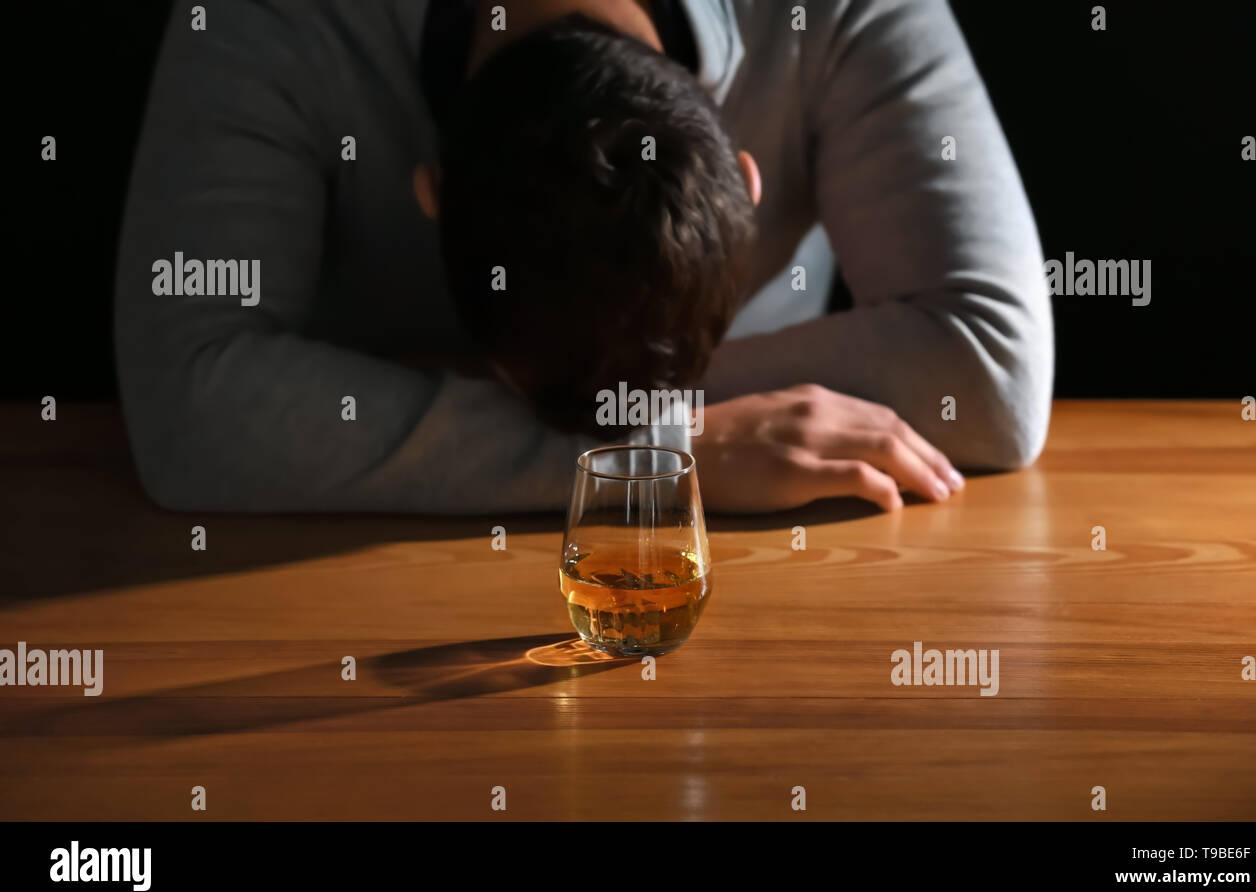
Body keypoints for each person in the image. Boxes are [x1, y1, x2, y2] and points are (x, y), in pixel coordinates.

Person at [114, 0, 1053, 515]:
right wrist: (669, 450)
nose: (616, 417)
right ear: (433, 200)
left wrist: (590, 432)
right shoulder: (273, 19)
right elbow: (188, 405)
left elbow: (992, 371)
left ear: (742, 181)